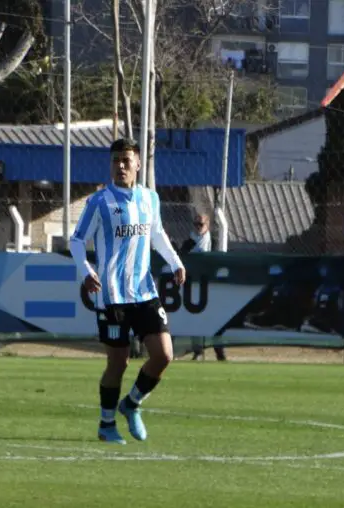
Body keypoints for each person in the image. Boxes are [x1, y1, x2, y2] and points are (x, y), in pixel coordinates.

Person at [69, 138, 186, 445]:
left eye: (126, 160)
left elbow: (156, 233)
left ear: (137, 164)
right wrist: (86, 270)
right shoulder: (99, 202)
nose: (120, 166)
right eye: (115, 161)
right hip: (111, 295)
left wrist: (175, 262)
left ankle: (131, 404)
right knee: (118, 363)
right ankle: (106, 424)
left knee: (164, 355)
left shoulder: (150, 199)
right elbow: (77, 240)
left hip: (144, 291)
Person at [181, 213, 226, 361]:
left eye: (201, 224)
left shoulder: (213, 242)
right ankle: (198, 350)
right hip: (194, 287)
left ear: (208, 225)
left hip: (211, 286)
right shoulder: (188, 244)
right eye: (196, 224)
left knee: (215, 319)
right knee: (195, 318)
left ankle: (219, 351)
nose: (198, 228)